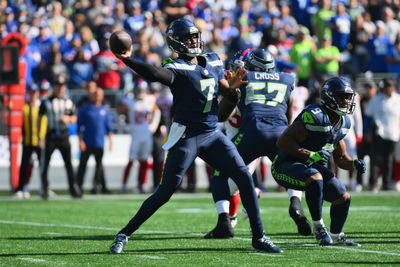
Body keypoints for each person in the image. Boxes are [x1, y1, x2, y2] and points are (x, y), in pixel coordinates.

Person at [109, 19, 282, 254]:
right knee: (165, 191)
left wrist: (232, 92)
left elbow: (224, 106)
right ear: (176, 41)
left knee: (243, 176)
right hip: (187, 136)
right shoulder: (175, 66)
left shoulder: (212, 60)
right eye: (188, 38)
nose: (193, 41)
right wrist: (127, 59)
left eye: (194, 36)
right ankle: (124, 234)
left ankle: (259, 237)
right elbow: (155, 74)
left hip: (211, 133)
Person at [205, 48, 310, 238]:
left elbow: (221, 115)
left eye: (241, 66)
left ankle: (228, 219)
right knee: (291, 167)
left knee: (225, 178)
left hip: (246, 136)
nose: (237, 69)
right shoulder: (284, 79)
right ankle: (296, 202)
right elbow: (288, 113)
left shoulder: (242, 81)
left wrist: (229, 90)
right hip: (276, 131)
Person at [271, 77, 366, 246]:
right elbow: (282, 142)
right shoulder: (314, 115)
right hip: (285, 166)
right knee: (316, 177)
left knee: (343, 197)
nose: (346, 101)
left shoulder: (344, 122)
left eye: (347, 96)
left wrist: (353, 164)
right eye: (341, 96)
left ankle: (336, 235)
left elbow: (341, 158)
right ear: (329, 97)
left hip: (310, 168)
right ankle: (319, 227)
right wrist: (309, 155)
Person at [39, 75, 82, 199]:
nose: (60, 89)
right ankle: (45, 188)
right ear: (53, 87)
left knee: (68, 164)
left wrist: (67, 119)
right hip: (51, 134)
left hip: (64, 135)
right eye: (57, 86)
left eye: (62, 86)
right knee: (45, 163)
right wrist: (40, 136)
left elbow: (75, 118)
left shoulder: (68, 102)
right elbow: (40, 118)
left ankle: (73, 188)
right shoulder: (47, 101)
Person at [119, 80, 160, 194]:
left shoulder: (150, 100)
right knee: (131, 160)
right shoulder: (130, 102)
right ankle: (123, 185)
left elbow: (157, 112)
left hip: (146, 135)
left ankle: (143, 184)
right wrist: (125, 126)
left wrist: (153, 126)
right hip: (136, 136)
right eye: (139, 90)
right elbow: (117, 113)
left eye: (142, 90)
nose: (141, 92)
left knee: (145, 160)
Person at [365, 78, 400, 191]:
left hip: (393, 134)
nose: (388, 88)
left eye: (389, 86)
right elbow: (368, 114)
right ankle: (373, 183)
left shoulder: (398, 99)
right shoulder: (377, 99)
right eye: (386, 86)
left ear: (393, 87)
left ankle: (386, 183)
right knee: (375, 159)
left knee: (388, 160)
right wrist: (367, 131)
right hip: (379, 133)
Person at [76, 88, 113, 195]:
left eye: (99, 94)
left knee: (99, 166)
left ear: (102, 96)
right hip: (87, 142)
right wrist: (80, 141)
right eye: (95, 94)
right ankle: (78, 186)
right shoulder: (86, 109)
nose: (97, 96)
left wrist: (111, 142)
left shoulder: (104, 111)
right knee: (83, 165)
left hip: (99, 143)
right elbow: (79, 127)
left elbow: (109, 128)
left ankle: (97, 186)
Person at [15, 84, 47, 199]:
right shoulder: (25, 107)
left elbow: (43, 123)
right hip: (27, 141)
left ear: (38, 93)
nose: (33, 95)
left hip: (38, 141)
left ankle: (44, 187)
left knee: (42, 166)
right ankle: (21, 187)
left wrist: (42, 138)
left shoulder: (41, 106)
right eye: (31, 92)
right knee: (24, 166)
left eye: (35, 92)